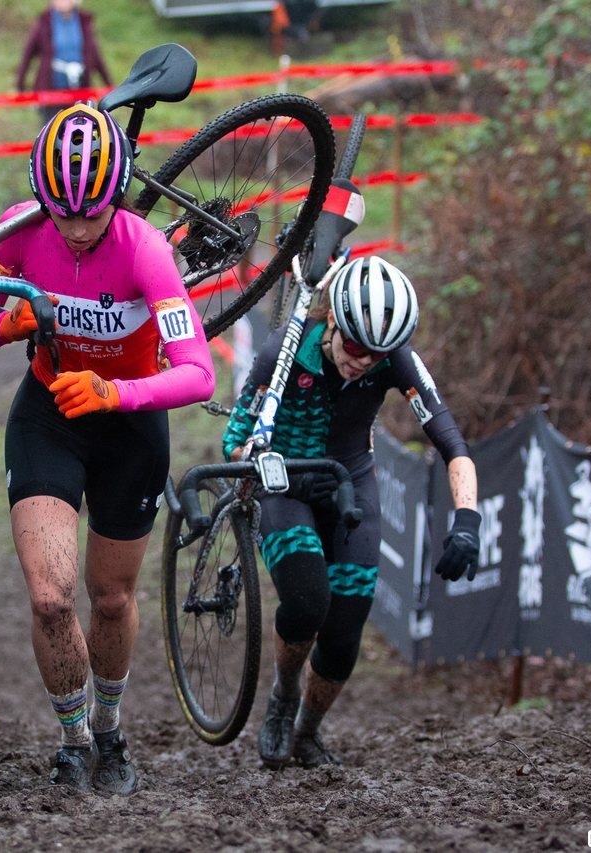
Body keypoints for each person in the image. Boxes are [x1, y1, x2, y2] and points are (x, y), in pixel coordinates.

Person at [0, 104, 215, 796]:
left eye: (89, 214)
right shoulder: (21, 228)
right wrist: (11, 320)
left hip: (128, 426)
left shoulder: (144, 249)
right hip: (49, 417)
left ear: (117, 194)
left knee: (112, 596)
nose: (73, 228)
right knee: (48, 595)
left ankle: (111, 728)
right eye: (59, 212)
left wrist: (115, 392)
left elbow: (198, 372)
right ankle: (71, 739)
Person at [221, 255, 480, 769]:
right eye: (356, 346)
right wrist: (275, 468)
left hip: (350, 483)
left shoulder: (392, 358)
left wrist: (468, 519)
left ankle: (308, 732)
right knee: (307, 600)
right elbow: (233, 443)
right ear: (333, 322)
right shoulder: (283, 351)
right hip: (286, 483)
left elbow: (453, 445)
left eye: (378, 353)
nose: (364, 361)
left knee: (343, 635)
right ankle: (283, 695)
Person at [15, 0, 112, 126]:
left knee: (80, 130)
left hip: (79, 88)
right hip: (52, 89)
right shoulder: (44, 22)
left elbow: (95, 55)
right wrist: (20, 84)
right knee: (52, 130)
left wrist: (109, 85)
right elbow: (28, 54)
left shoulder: (83, 21)